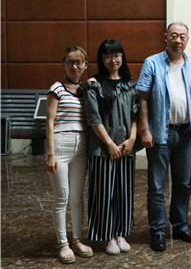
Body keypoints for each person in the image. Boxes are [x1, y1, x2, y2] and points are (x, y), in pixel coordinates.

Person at [137, 22, 191, 252]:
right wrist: (145, 129)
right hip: (160, 133)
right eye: (174, 36)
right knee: (157, 185)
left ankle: (180, 226)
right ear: (165, 37)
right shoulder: (152, 63)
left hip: (185, 133)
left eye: (182, 36)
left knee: (183, 184)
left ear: (187, 39)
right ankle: (158, 231)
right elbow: (143, 98)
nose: (178, 40)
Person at [81, 39, 139, 255]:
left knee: (124, 192)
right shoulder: (94, 84)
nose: (112, 60)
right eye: (107, 56)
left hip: (125, 147)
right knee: (103, 193)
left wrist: (132, 139)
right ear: (101, 59)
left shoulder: (130, 84)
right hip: (102, 148)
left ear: (122, 57)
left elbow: (135, 115)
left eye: (116, 55)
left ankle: (121, 233)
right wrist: (109, 144)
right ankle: (107, 236)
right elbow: (93, 118)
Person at [45, 46, 94, 264]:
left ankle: (76, 239)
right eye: (70, 62)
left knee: (77, 197)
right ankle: (62, 243)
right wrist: (50, 154)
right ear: (64, 65)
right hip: (61, 145)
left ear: (85, 65)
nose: (75, 66)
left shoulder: (86, 90)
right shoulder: (56, 88)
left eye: (79, 62)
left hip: (81, 147)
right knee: (61, 197)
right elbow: (49, 122)